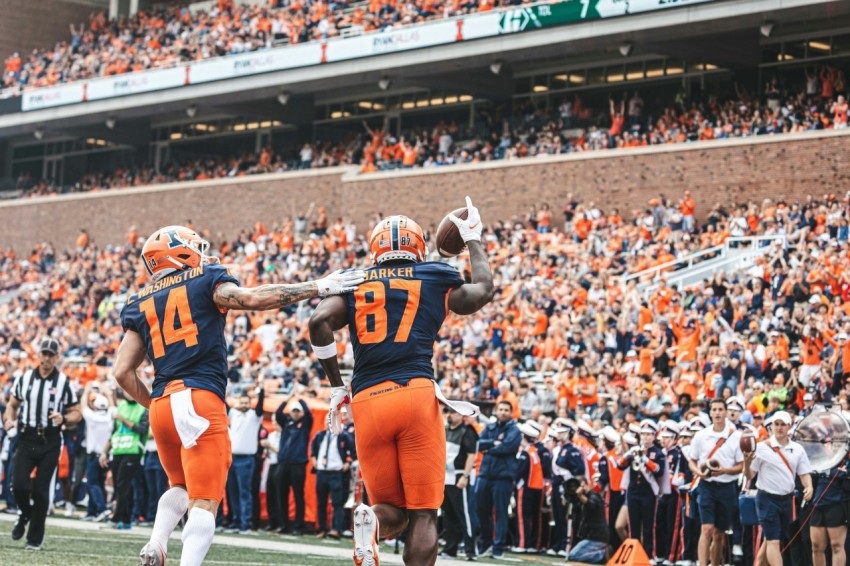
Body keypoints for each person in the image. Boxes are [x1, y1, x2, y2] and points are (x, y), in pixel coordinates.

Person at [111, 225, 363, 566]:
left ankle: (157, 542)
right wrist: (317, 286)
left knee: (180, 487)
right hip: (199, 397)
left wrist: (155, 403)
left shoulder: (138, 301)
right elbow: (252, 299)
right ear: (179, 253)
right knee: (205, 500)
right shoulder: (204, 277)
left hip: (161, 405)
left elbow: (122, 372)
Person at [308, 197, 494, 566]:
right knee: (424, 513)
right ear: (419, 245)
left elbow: (318, 323)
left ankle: (371, 521)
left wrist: (335, 385)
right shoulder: (435, 276)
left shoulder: (356, 280)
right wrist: (472, 238)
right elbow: (482, 291)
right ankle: (372, 523)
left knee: (390, 511)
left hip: (367, 399)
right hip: (413, 394)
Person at [2, 337, 82, 550]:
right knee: (17, 485)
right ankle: (25, 514)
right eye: (43, 354)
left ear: (56, 357)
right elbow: (12, 405)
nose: (46, 358)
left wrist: (63, 418)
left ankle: (34, 539)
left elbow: (77, 413)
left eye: (50, 355)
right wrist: (8, 420)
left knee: (41, 491)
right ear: (39, 355)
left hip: (51, 440)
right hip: (27, 437)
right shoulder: (25, 378)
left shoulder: (63, 382)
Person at [743, 411, 813, 566]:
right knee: (774, 542)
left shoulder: (797, 449)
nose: (779, 428)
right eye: (776, 424)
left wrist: (809, 486)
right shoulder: (761, 447)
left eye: (783, 424)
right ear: (772, 426)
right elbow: (749, 475)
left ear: (789, 427)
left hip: (786, 499)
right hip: (767, 499)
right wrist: (746, 463)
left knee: (771, 538)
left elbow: (804, 473)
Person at [688, 398, 743, 566]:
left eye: (720, 409)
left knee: (720, 533)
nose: (717, 413)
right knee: (706, 528)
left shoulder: (736, 436)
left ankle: (715, 564)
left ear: (726, 412)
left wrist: (725, 470)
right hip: (707, 486)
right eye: (714, 410)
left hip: (727, 486)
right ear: (710, 413)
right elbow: (692, 460)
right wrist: (698, 472)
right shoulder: (701, 435)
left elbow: (741, 466)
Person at [475, 400, 522, 559]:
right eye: (500, 409)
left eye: (506, 410)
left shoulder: (515, 430)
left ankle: (498, 547)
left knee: (501, 513)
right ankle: (486, 542)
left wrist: (489, 449)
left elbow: (507, 447)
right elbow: (478, 444)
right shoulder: (490, 427)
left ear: (511, 412)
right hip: (485, 474)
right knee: (481, 510)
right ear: (496, 410)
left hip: (503, 477)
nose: (503, 412)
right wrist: (492, 443)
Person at [100, 389, 150, 529]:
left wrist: (123, 420)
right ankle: (124, 518)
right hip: (118, 449)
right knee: (118, 485)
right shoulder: (121, 406)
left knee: (123, 484)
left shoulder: (143, 408)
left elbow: (142, 429)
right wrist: (104, 452)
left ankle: (119, 517)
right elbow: (114, 432)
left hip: (133, 450)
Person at [440, 406, 478, 560]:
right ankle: (450, 549)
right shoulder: (445, 429)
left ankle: (470, 550)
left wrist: (465, 475)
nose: (449, 414)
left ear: (461, 415)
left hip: (458, 476)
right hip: (445, 478)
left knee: (464, 515)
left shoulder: (467, 431)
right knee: (448, 515)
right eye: (448, 411)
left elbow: (471, 455)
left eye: (453, 412)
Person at [225, 387, 265, 535]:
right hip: (232, 458)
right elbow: (224, 404)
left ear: (250, 403)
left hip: (246, 459)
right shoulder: (234, 413)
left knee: (244, 493)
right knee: (232, 492)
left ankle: (245, 523)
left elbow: (260, 407)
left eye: (246, 402)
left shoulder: (254, 415)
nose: (243, 404)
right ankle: (235, 521)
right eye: (241, 402)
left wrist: (261, 392)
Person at [274, 395, 313, 536]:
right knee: (281, 495)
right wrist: (287, 399)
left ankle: (298, 526)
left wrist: (301, 398)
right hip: (283, 463)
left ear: (301, 413)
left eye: (298, 411)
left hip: (298, 465)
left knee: (298, 496)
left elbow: (309, 414)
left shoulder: (306, 424)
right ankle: (283, 525)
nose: (296, 413)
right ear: (290, 412)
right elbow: (278, 413)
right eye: (294, 411)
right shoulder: (286, 423)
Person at [311, 422, 355, 538]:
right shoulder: (320, 435)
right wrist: (313, 458)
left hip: (336, 473)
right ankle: (322, 529)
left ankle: (336, 529)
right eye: (327, 420)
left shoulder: (343, 436)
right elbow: (313, 448)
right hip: (321, 472)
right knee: (321, 503)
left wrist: (348, 462)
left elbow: (354, 450)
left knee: (337, 503)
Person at [81, 382, 114, 522]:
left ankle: (101, 509)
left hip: (94, 455)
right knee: (99, 483)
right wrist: (107, 394)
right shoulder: (110, 417)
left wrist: (86, 391)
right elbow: (112, 407)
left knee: (93, 483)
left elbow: (83, 406)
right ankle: (92, 511)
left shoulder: (92, 416)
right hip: (106, 456)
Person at [566, 476, 609, 564]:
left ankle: (602, 555)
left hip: (598, 537)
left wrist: (580, 495)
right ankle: (599, 553)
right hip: (591, 537)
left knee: (573, 556)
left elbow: (591, 504)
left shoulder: (594, 495)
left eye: (581, 486)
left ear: (586, 485)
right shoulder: (580, 499)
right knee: (572, 555)